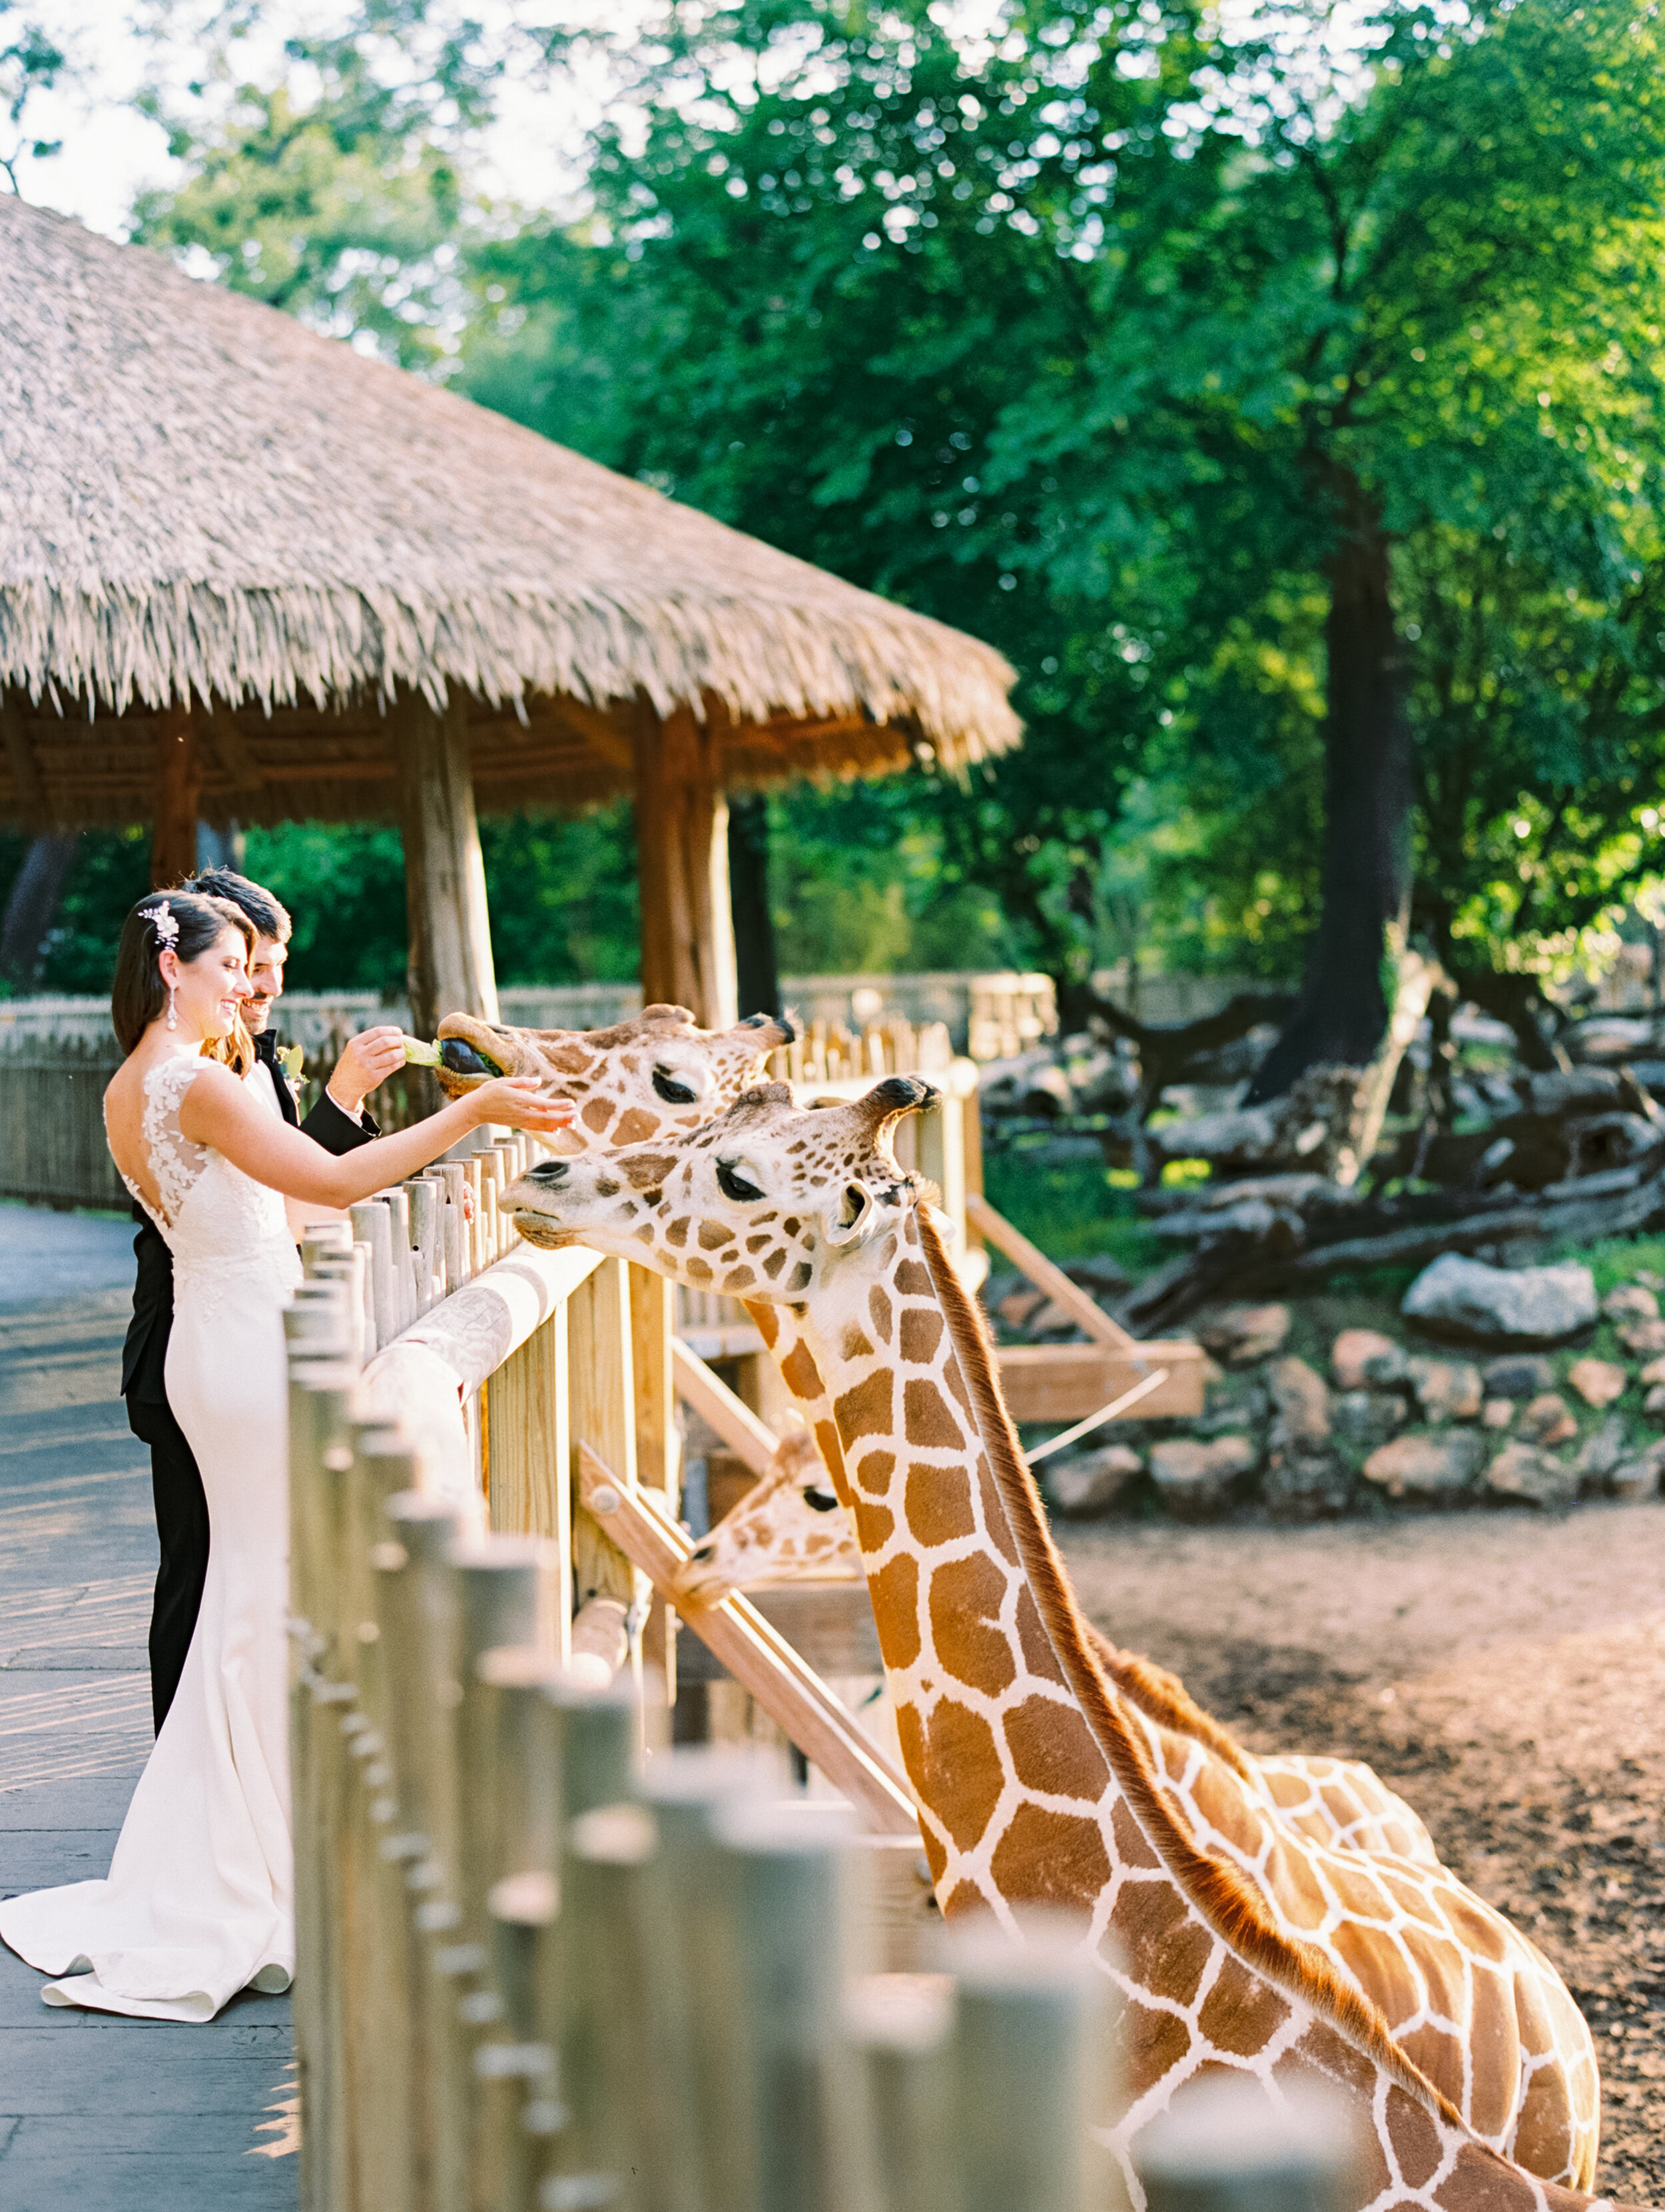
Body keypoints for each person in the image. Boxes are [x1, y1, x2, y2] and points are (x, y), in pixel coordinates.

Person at [0, 889, 571, 2022]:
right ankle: (269, 1853)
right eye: (230, 967)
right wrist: (476, 1113)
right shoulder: (193, 1082)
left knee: (253, 1587)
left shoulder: (146, 1084)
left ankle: (257, 1836)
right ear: (174, 968)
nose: (244, 987)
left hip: (228, 1343)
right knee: (264, 1585)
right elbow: (332, 1185)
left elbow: (289, 1214)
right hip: (240, 1355)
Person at [121, 867, 406, 1734]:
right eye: (253, 959)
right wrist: (345, 1099)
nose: (267, 981)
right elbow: (279, 1184)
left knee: (252, 1568)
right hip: (196, 1333)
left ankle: (252, 1752)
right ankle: (187, 1755)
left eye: (274, 962)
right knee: (200, 1573)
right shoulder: (178, 1067)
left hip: (253, 1328)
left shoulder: (245, 1047)